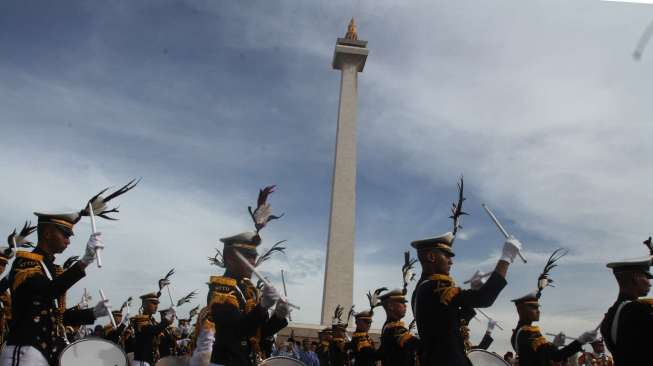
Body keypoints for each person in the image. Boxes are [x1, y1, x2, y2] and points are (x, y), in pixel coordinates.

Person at [411, 180, 523, 366]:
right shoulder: (436, 286)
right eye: (446, 255)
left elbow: (455, 321)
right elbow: (485, 299)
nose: (451, 260)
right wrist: (506, 259)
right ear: (431, 257)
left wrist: (474, 289)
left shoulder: (424, 288)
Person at [0, 210, 110, 366]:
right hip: (26, 350)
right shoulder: (25, 264)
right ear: (47, 233)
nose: (68, 241)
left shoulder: (52, 269)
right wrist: (84, 261)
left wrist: (93, 313)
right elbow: (47, 291)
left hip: (47, 352)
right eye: (65, 235)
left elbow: (58, 316)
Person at [208, 186, 290, 366]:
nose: (253, 262)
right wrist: (262, 307)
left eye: (254, 256)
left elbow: (259, 333)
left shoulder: (248, 290)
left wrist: (278, 315)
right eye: (247, 257)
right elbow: (236, 330)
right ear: (230, 258)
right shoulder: (222, 288)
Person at [511, 249, 597, 366]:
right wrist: (580, 341)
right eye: (533, 307)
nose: (538, 310)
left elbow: (541, 356)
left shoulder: (520, 332)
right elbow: (555, 357)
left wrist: (554, 345)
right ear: (520, 310)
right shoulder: (527, 332)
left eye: (538, 307)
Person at [600, 237, 653, 366]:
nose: (650, 283)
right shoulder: (638, 311)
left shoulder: (611, 314)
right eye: (647, 277)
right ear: (636, 278)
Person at [131, 291, 176, 366]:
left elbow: (163, 340)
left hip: (151, 361)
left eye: (157, 304)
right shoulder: (140, 319)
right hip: (141, 361)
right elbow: (153, 331)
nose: (156, 306)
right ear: (144, 304)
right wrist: (166, 320)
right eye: (153, 303)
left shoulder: (153, 321)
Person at [377, 289, 420, 366]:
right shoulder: (394, 328)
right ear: (390, 306)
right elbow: (414, 344)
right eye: (402, 302)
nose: (405, 305)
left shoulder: (389, 326)